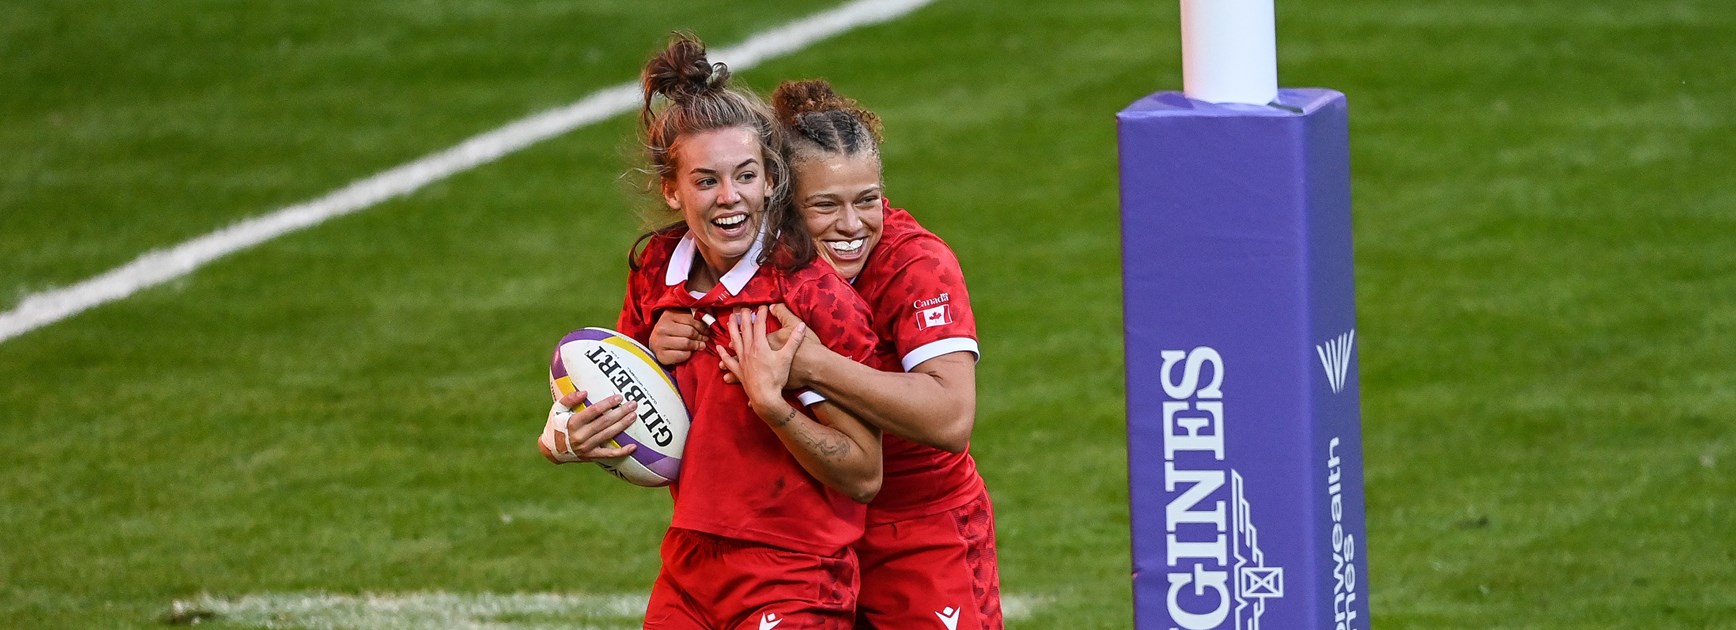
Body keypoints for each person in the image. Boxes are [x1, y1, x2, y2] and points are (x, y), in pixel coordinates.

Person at [538, 34, 886, 630]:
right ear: (673, 190)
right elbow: (625, 402)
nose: (730, 198)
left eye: (745, 175)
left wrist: (774, 406)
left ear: (772, 181)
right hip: (689, 568)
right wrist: (568, 438)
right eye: (705, 181)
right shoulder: (655, 272)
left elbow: (865, 474)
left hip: (797, 573)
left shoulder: (811, 299)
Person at [651, 80, 1002, 629]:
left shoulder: (916, 265)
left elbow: (951, 417)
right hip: (810, 534)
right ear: (780, 199)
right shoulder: (754, 263)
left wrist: (814, 364)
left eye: (868, 200)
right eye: (824, 206)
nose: (851, 226)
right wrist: (657, 349)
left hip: (915, 530)